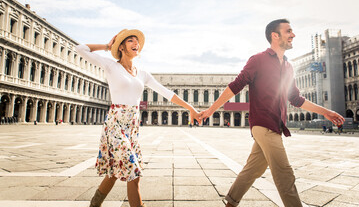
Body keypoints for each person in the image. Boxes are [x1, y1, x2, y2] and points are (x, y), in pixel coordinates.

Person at [199, 19, 345, 207]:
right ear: (275, 36)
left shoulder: (288, 67)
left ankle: (230, 202)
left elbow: (296, 99)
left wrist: (326, 112)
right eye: (288, 31)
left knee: (253, 170)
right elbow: (235, 86)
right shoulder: (258, 60)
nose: (293, 35)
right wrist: (211, 110)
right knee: (285, 174)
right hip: (263, 124)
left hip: (276, 125)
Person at [76, 29, 201, 207]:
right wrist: (106, 46)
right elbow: (80, 49)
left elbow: (167, 93)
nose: (136, 44)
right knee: (133, 173)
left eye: (137, 41)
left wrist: (191, 108)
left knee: (112, 173)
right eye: (130, 41)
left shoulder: (142, 73)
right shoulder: (111, 66)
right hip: (115, 124)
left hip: (133, 126)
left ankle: (94, 205)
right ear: (121, 47)